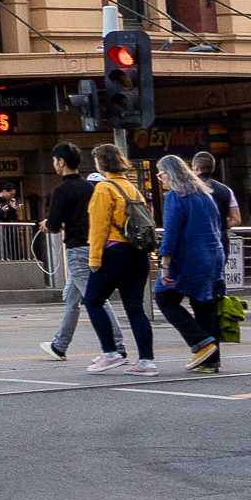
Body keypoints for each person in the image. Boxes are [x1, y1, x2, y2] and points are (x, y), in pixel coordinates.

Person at [148, 155, 231, 372]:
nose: (159, 177)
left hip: (188, 259)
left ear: (171, 173)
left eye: (161, 173)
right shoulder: (205, 195)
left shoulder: (176, 196)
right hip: (212, 257)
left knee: (164, 298)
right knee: (204, 304)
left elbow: (171, 233)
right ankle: (211, 360)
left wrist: (164, 263)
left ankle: (201, 343)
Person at [83, 150, 161, 374]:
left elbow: (99, 227)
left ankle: (110, 352)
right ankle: (147, 361)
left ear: (101, 163)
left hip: (114, 252)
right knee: (135, 308)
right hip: (137, 253)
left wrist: (94, 259)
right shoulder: (131, 187)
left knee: (93, 300)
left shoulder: (104, 188)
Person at [39, 144, 109, 362]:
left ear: (61, 162)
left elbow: (54, 223)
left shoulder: (61, 190)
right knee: (71, 297)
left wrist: (47, 224)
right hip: (93, 245)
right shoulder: (90, 188)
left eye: (54, 161)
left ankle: (116, 345)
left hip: (77, 249)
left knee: (96, 298)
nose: (54, 165)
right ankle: (60, 345)